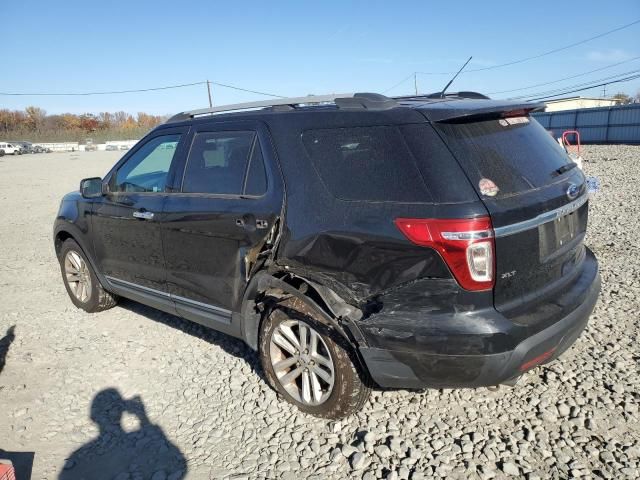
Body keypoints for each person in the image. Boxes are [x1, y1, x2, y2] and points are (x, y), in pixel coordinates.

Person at [59, 388, 187, 480]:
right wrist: (143, 418)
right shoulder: (79, 454)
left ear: (93, 417)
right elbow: (181, 464)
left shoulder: (77, 455)